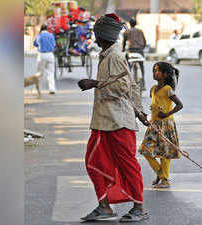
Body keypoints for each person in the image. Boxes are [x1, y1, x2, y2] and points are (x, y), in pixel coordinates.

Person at [77, 13, 150, 222]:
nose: (95, 38)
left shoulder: (115, 57)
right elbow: (133, 86)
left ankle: (139, 208)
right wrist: (140, 110)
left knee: (128, 165)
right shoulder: (108, 55)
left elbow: (122, 88)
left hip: (118, 122)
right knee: (95, 162)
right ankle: (104, 207)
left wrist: (94, 83)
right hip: (104, 121)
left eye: (96, 34)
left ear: (103, 35)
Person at [139, 62, 183, 188]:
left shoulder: (168, 90)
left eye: (157, 71)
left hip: (166, 124)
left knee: (165, 152)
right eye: (153, 70)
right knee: (145, 150)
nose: (154, 73)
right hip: (154, 124)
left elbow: (180, 105)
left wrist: (167, 114)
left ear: (165, 74)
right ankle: (161, 173)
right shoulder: (153, 89)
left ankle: (165, 179)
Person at [122, 18, 147, 90]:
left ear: (130, 24)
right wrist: (142, 48)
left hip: (131, 51)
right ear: (136, 24)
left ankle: (128, 79)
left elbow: (124, 42)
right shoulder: (140, 31)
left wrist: (123, 49)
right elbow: (144, 41)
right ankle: (143, 82)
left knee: (127, 64)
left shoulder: (127, 32)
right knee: (142, 66)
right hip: (140, 51)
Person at [33, 24, 56, 94]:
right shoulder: (51, 35)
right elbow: (54, 45)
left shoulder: (39, 36)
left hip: (42, 55)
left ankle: (36, 89)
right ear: (47, 29)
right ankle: (52, 89)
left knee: (39, 73)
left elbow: (35, 44)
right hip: (50, 55)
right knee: (51, 73)